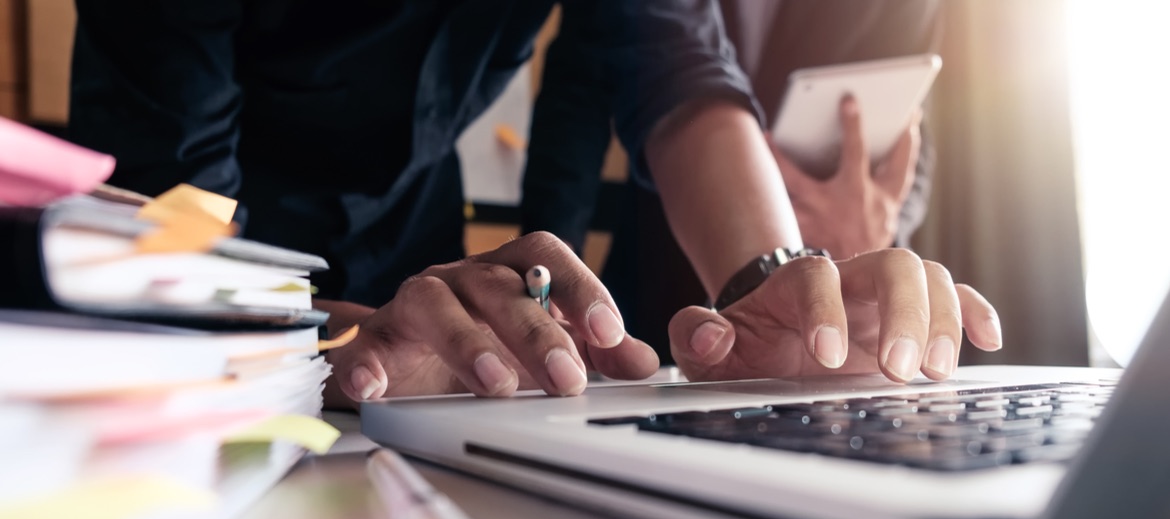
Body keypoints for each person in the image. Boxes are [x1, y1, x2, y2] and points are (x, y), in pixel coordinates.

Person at [69, 0, 1000, 407]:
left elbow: (677, 65)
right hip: (215, 266)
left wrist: (777, 277)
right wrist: (341, 334)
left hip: (419, 259)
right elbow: (173, 222)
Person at [523, 0, 941, 357]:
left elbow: (913, 118)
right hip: (664, 259)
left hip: (838, 278)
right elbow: (599, 77)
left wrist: (877, 221)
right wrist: (551, 261)